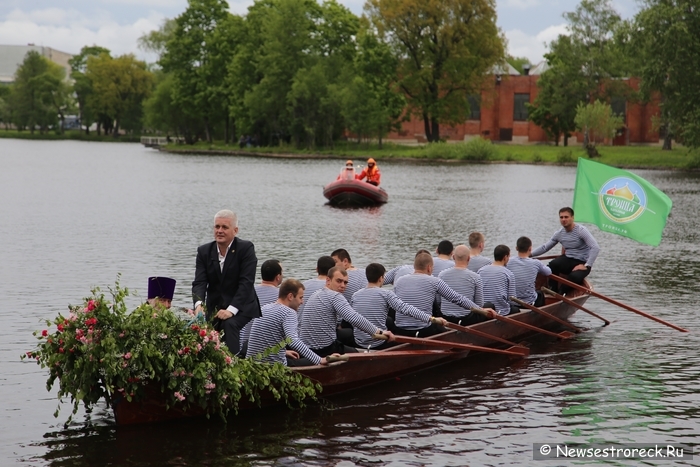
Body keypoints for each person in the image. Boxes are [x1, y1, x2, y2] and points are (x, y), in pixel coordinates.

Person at [192, 209, 261, 355]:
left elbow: (246, 283)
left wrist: (231, 310)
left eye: (224, 227)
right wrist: (199, 305)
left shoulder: (246, 249)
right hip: (216, 306)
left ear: (235, 230)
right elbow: (200, 282)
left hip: (242, 306)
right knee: (205, 332)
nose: (220, 231)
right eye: (217, 227)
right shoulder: (204, 251)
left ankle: (233, 366)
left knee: (229, 324)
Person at [299, 266, 395, 356]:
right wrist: (380, 332)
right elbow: (354, 318)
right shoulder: (335, 296)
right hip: (325, 349)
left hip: (307, 348)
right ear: (328, 280)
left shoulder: (316, 293)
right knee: (365, 354)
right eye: (339, 281)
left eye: (345, 283)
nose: (342, 285)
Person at [394, 251, 494, 337]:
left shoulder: (399, 281)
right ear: (429, 268)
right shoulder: (434, 281)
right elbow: (457, 299)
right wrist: (481, 310)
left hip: (399, 330)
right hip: (423, 330)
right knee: (447, 330)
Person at [351, 263, 446, 350]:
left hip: (359, 343)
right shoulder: (386, 294)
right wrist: (430, 318)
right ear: (381, 278)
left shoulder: (355, 295)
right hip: (379, 343)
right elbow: (405, 309)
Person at [246, 279, 333, 367]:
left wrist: (284, 351)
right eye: (300, 298)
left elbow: (264, 340)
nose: (302, 302)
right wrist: (320, 360)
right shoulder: (288, 313)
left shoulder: (264, 308)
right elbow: (293, 341)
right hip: (274, 367)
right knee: (315, 361)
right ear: (290, 296)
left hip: (253, 364)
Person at [531, 207, 600, 293]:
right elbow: (545, 247)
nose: (563, 219)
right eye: (561, 217)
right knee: (552, 265)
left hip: (582, 262)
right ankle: (552, 290)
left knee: (574, 277)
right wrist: (529, 255)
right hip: (568, 259)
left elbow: (595, 247)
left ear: (572, 218)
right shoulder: (559, 233)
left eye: (566, 217)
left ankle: (561, 293)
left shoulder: (581, 231)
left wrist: (587, 265)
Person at [240, 259, 283, 353]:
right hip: (261, 348)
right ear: (278, 277)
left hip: (241, 344)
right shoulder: (281, 296)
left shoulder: (246, 292)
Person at [437, 245, 487, 325]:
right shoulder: (476, 277)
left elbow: (439, 301)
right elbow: (479, 305)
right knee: (489, 305)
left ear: (453, 257)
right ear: (468, 258)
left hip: (446, 318)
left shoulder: (441, 275)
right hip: (467, 319)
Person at [507, 236, 551, 307]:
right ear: (530, 249)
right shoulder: (536, 263)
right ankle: (538, 316)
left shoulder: (508, 261)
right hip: (529, 302)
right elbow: (548, 272)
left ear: (516, 248)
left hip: (512, 301)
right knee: (540, 294)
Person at [478, 245, 520, 316]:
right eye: (508, 257)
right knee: (516, 309)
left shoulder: (480, 271)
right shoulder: (509, 274)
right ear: (505, 257)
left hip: (484, 311)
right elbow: (512, 300)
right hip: (501, 312)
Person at [298, 255, 337, 329]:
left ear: (317, 269)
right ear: (333, 271)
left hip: (300, 328)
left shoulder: (304, 285)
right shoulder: (332, 287)